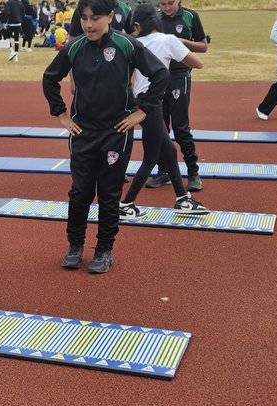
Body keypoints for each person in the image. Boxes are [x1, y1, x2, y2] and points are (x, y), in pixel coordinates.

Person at [42, 0, 167, 274]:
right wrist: (61, 114)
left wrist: (142, 111)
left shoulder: (125, 44)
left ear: (110, 16)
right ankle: (75, 246)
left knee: (109, 195)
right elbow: (50, 78)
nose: (88, 24)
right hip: (83, 133)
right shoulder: (75, 46)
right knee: (79, 193)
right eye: (84, 18)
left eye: (95, 18)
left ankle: (104, 250)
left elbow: (160, 74)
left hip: (116, 133)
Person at [119, 4, 206, 220]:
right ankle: (126, 203)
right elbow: (198, 63)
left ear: (138, 26)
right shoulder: (168, 40)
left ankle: (182, 199)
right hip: (153, 102)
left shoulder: (135, 43)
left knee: (168, 152)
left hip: (141, 100)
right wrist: (181, 45)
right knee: (151, 157)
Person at [147, 0, 205, 192]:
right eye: (162, 3)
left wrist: (181, 43)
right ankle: (163, 172)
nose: (167, 7)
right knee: (160, 128)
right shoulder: (154, 18)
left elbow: (203, 46)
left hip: (180, 76)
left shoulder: (190, 16)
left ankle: (193, 172)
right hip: (158, 76)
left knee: (180, 127)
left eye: (170, 3)